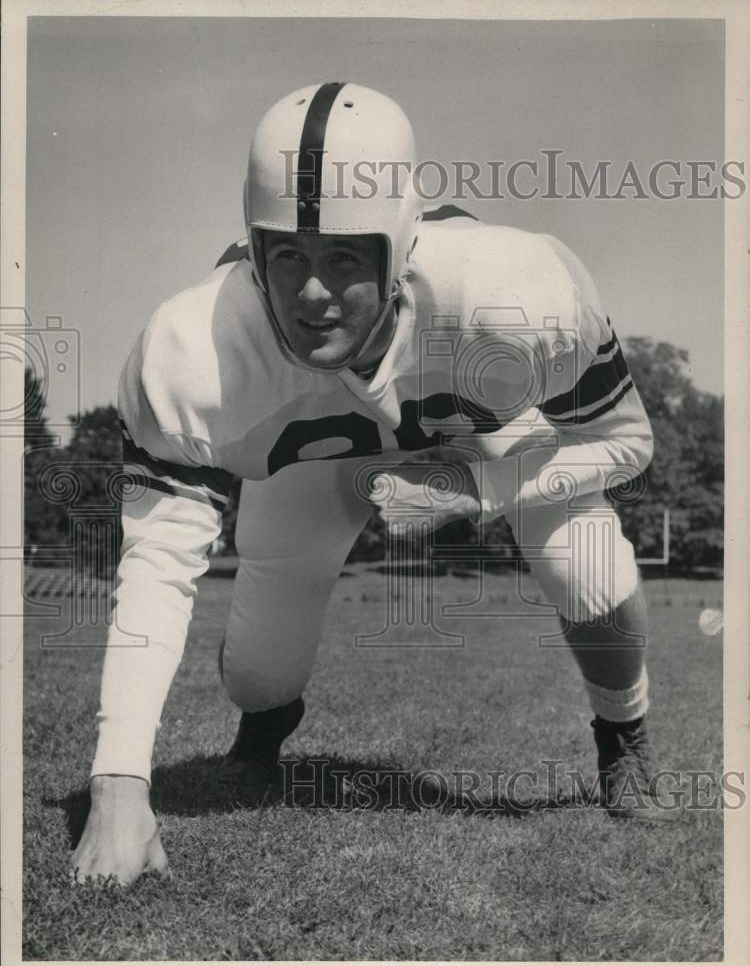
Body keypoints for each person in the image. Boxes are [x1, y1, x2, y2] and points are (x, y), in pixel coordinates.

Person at [71, 82, 679, 886]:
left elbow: (625, 441)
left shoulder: (517, 295)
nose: (313, 294)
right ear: (250, 247)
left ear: (402, 245)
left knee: (586, 552)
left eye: (344, 257)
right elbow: (157, 560)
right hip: (316, 463)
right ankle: (268, 720)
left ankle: (623, 734)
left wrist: (476, 485)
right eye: (285, 255)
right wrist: (118, 782)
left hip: (477, 437)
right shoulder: (193, 349)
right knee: (258, 670)